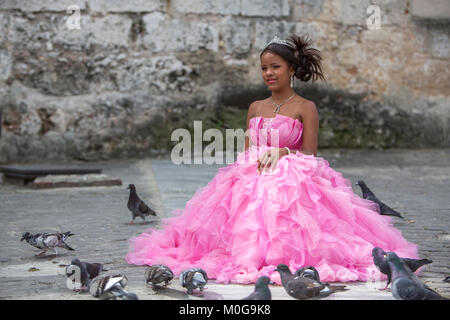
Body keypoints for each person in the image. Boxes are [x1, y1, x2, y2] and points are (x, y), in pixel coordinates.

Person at [126, 34, 418, 284]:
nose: (269, 73)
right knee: (235, 213)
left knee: (287, 206)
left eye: (275, 67)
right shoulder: (255, 106)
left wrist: (283, 152)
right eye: (264, 68)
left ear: (291, 68)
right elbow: (246, 150)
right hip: (251, 175)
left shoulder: (306, 107)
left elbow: (312, 155)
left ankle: (283, 256)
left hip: (294, 174)